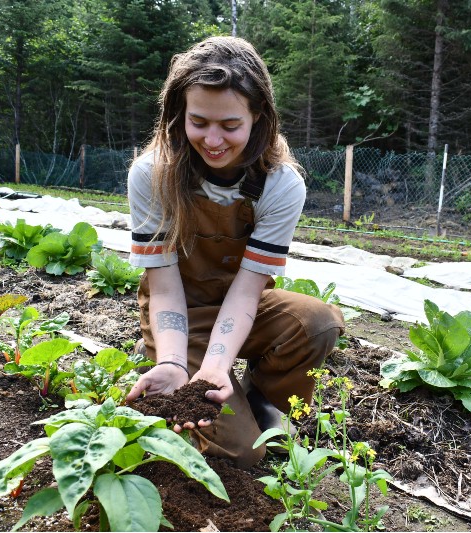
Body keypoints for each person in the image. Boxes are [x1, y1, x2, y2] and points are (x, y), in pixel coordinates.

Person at [124, 36, 345, 469]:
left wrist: (217, 365)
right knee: (242, 455)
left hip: (239, 305)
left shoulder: (281, 184)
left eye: (230, 125)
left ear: (257, 116)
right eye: (199, 121)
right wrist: (173, 361)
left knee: (317, 324)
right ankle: (199, 387)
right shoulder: (153, 175)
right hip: (179, 314)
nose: (213, 139)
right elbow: (164, 287)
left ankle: (262, 404)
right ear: (178, 114)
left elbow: (247, 290)